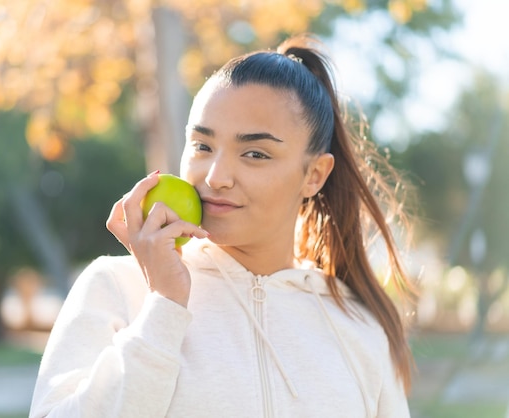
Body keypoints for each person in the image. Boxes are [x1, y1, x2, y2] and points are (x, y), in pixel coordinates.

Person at [29, 34, 416, 418]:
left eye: (254, 153)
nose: (216, 177)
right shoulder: (116, 287)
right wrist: (163, 307)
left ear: (314, 175)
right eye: (202, 146)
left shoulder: (358, 327)